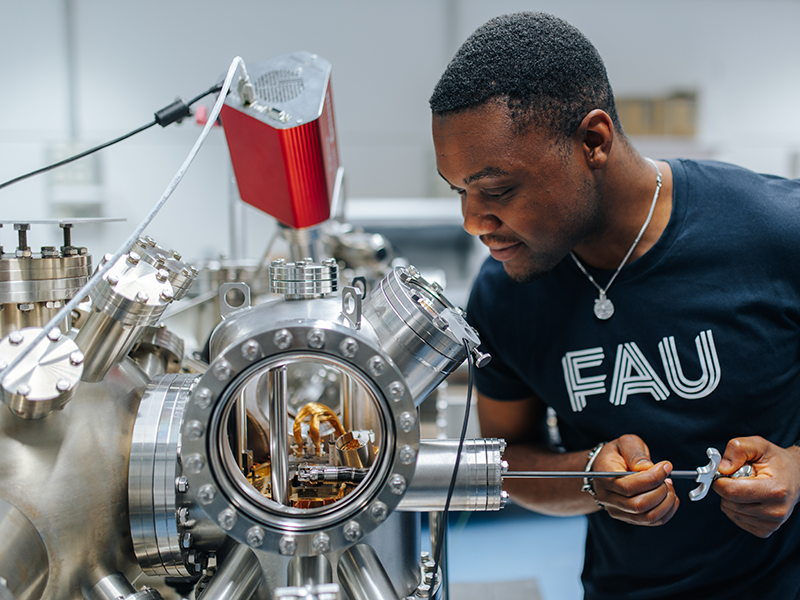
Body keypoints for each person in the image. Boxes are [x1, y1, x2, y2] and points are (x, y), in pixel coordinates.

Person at [429, 11, 800, 600]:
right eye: (460, 192)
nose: (473, 221)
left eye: (497, 190)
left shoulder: (776, 232)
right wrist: (587, 476)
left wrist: (799, 466)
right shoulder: (505, 293)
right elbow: (511, 458)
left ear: (593, 142)